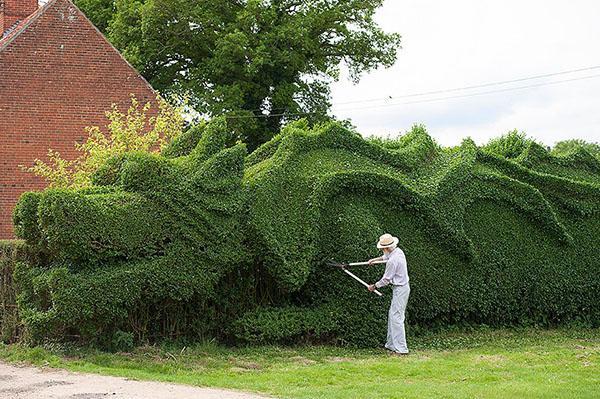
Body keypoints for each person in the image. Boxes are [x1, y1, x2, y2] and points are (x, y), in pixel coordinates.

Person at [367, 233, 410, 355]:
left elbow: (386, 279)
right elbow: (386, 257)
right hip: (400, 288)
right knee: (393, 315)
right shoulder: (397, 251)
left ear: (385, 248)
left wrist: (374, 286)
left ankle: (401, 349)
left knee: (397, 317)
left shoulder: (393, 260)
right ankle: (391, 345)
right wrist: (374, 260)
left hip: (401, 289)